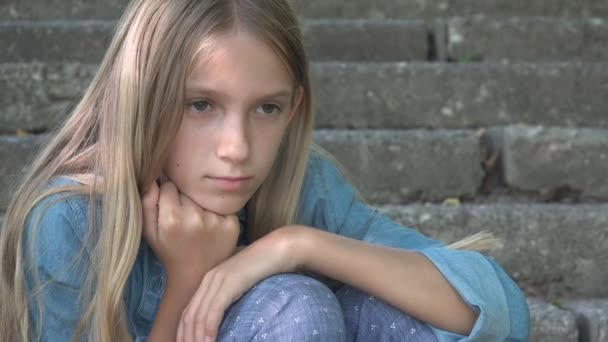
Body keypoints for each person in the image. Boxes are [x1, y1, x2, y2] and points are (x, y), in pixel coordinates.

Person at [0, 0, 530, 341]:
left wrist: (296, 245)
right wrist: (188, 277)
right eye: (200, 105)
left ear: (293, 108)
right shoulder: (71, 220)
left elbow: (498, 310)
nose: (237, 148)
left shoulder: (303, 186)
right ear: (143, 100)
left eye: (266, 109)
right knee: (295, 306)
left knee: (390, 305)